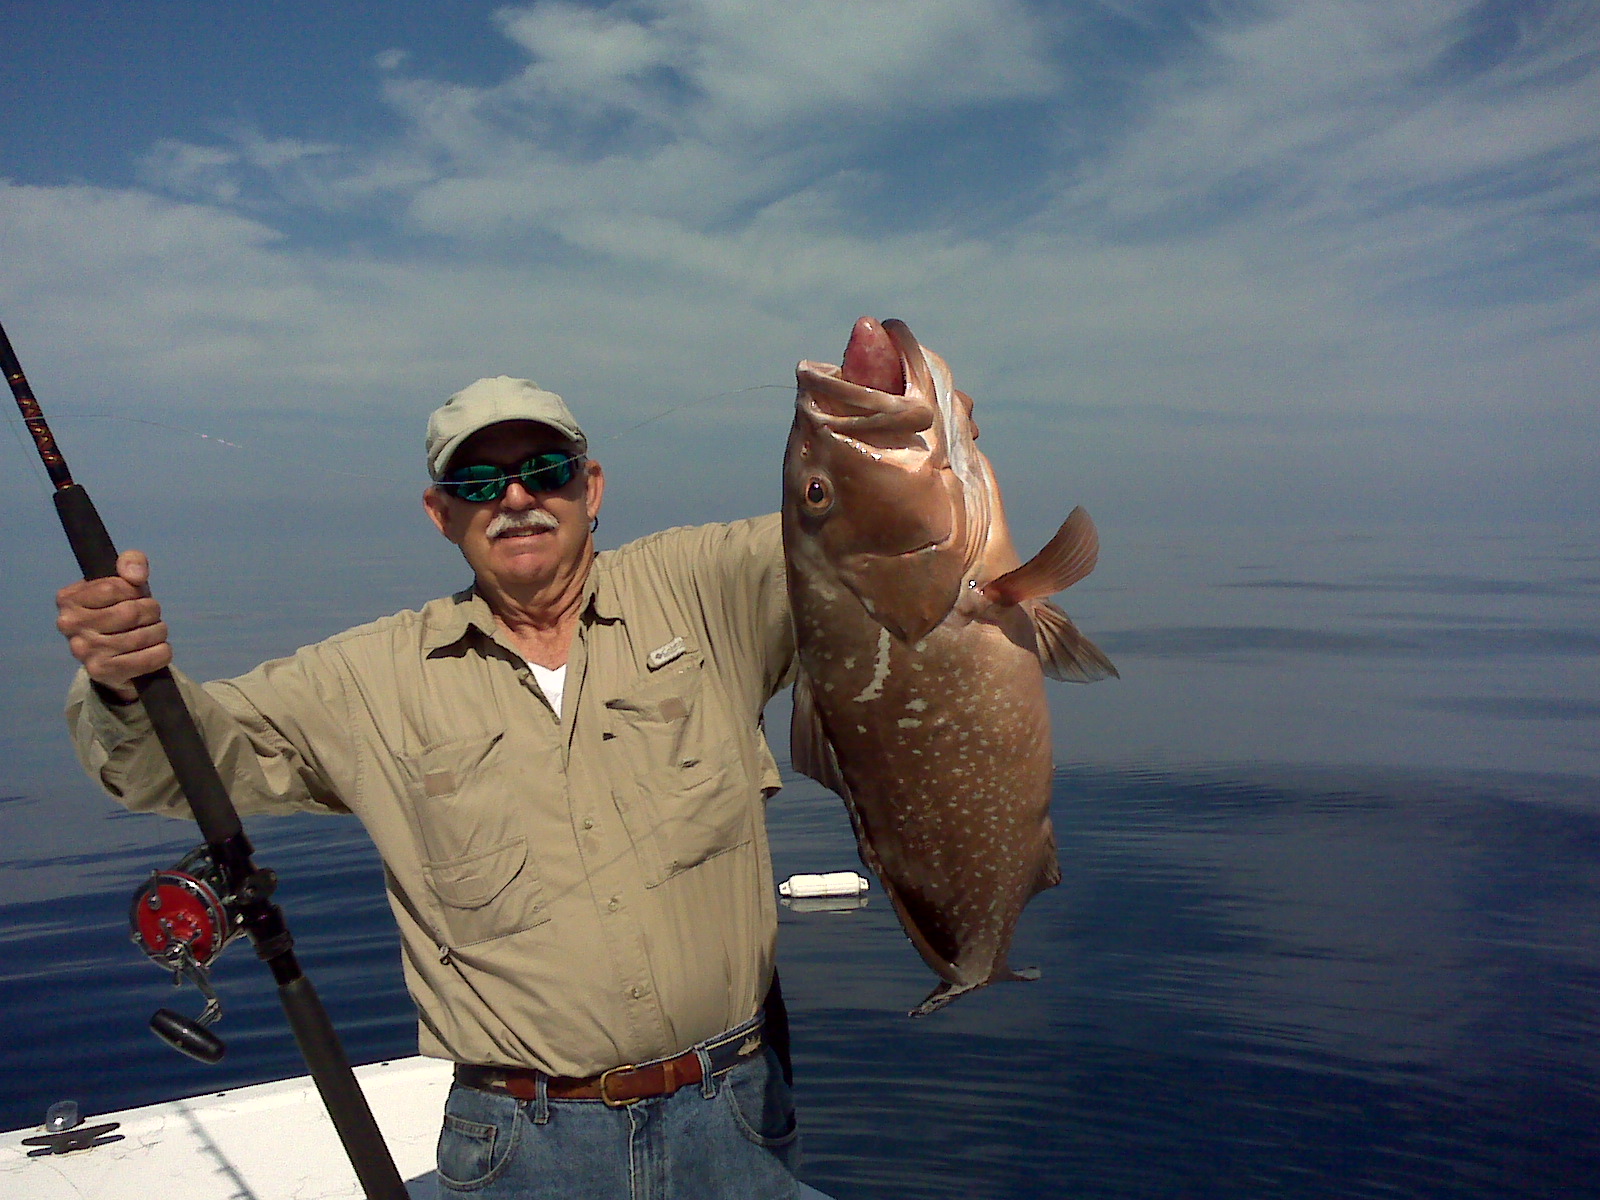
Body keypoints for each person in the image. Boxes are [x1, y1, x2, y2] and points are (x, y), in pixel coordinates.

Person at [56, 375, 802, 1199]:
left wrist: (927, 450)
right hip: (522, 1142)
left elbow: (871, 530)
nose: (515, 497)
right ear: (440, 513)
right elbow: (173, 766)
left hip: (736, 1113)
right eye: (477, 484)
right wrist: (125, 684)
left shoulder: (707, 587)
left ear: (590, 488)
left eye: (545, 470)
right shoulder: (370, 677)